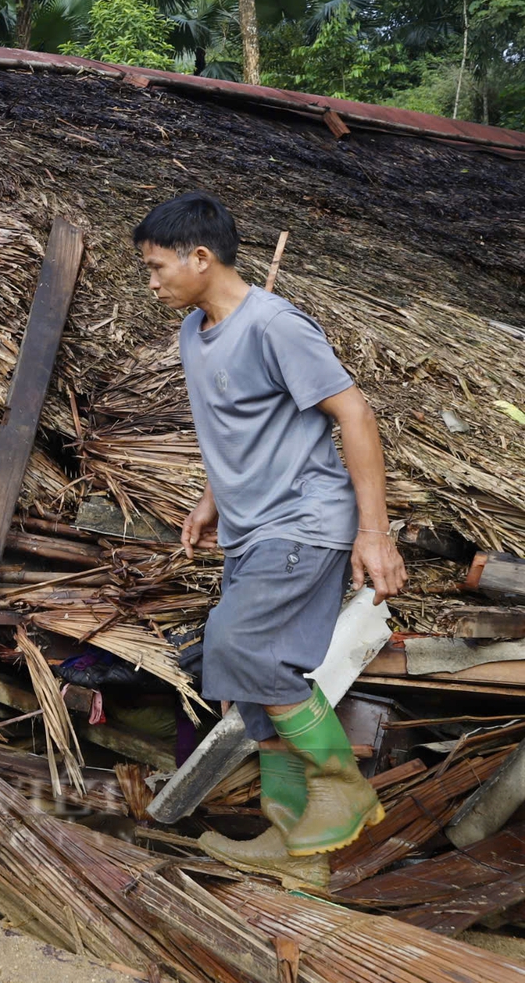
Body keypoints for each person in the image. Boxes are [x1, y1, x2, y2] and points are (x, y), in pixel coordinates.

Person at [135, 191, 403, 872]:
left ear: (201, 257)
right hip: (251, 529)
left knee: (239, 642)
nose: (152, 279)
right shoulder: (193, 334)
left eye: (158, 265)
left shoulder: (276, 325)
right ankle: (296, 844)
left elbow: (356, 415)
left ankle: (342, 788)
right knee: (249, 682)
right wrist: (211, 499)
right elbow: (240, 427)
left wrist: (374, 533)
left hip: (305, 520)